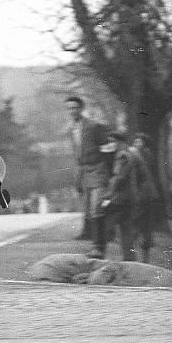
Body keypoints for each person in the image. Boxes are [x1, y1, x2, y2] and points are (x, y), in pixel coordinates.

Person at [65, 96, 110, 241]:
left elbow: (107, 150)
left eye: (75, 108)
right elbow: (77, 153)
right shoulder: (72, 129)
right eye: (69, 108)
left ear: (81, 109)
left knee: (97, 208)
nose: (72, 111)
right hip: (83, 172)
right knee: (89, 209)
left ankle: (100, 243)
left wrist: (106, 172)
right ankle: (97, 241)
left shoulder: (94, 126)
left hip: (97, 169)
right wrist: (77, 176)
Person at [94, 131, 138, 261]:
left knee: (103, 225)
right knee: (126, 232)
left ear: (120, 142)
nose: (111, 144)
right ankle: (130, 261)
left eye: (112, 141)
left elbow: (117, 178)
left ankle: (98, 256)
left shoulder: (121, 156)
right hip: (129, 199)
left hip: (119, 199)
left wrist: (107, 195)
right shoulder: (129, 154)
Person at [131, 133, 161, 263]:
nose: (137, 144)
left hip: (142, 195)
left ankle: (138, 256)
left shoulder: (140, 155)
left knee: (139, 224)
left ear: (144, 143)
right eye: (136, 141)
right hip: (148, 194)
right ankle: (143, 256)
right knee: (145, 226)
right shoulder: (145, 154)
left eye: (139, 141)